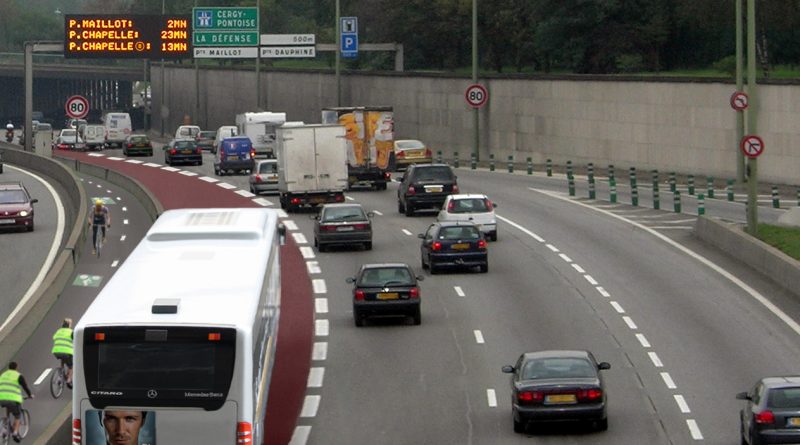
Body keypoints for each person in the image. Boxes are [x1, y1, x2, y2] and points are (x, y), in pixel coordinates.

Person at [0, 362, 34, 443]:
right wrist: (30, 395)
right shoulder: (18, 375)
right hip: (13, 398)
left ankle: (6, 421)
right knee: (17, 416)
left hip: (1, 398)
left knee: (7, 405)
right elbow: (25, 386)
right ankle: (15, 433)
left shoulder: (3, 375)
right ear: (16, 367)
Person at [51, 318, 73, 389]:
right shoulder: (71, 332)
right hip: (67, 351)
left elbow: (54, 338)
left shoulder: (58, 331)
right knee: (71, 366)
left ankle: (61, 370)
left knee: (62, 357)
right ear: (69, 325)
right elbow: (76, 340)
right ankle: (69, 380)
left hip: (56, 351)